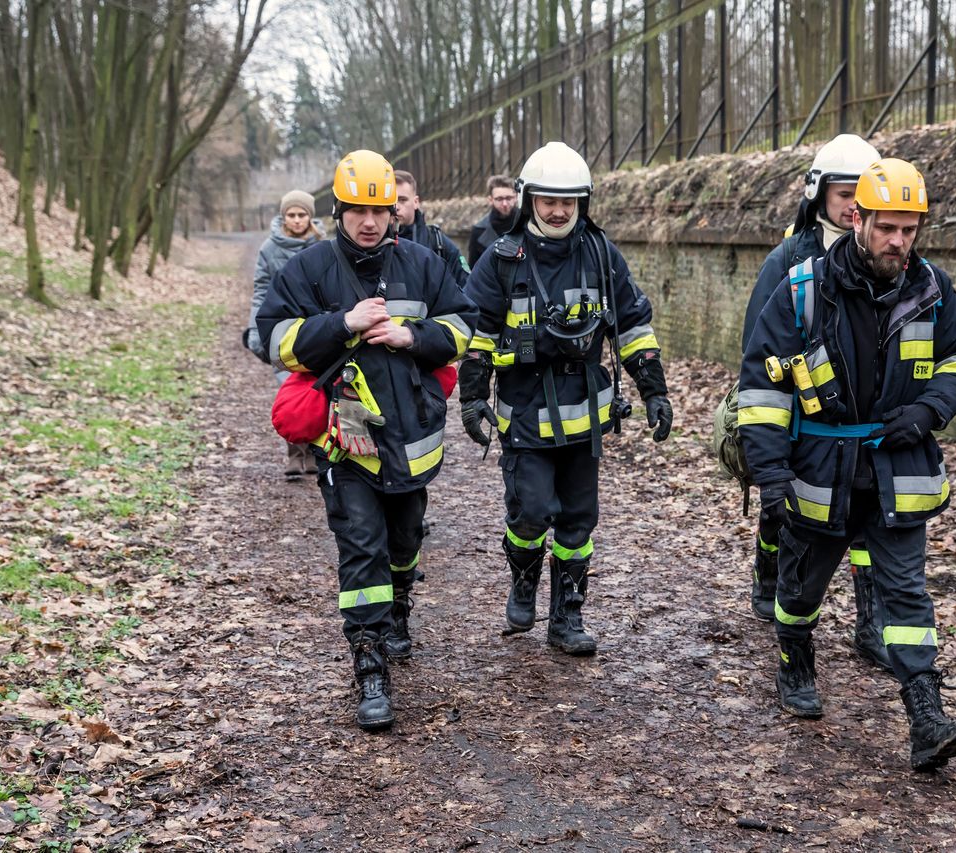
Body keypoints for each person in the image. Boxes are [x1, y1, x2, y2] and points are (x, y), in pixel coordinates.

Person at [738, 158, 956, 771]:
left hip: (896, 469)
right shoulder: (801, 289)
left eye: (909, 229)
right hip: (820, 469)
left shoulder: (932, 289)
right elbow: (762, 390)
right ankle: (795, 658)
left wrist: (930, 410)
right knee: (802, 588)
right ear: (859, 220)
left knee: (905, 593)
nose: (898, 242)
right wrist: (770, 477)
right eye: (886, 229)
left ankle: (926, 715)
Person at [257, 150, 477, 731]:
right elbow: (272, 337)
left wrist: (412, 335)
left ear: (393, 212)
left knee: (404, 536)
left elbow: (462, 327)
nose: (370, 222)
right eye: (357, 210)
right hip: (344, 435)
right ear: (340, 210)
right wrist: (342, 324)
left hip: (411, 432)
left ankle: (400, 602)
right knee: (361, 546)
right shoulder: (309, 270)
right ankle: (370, 663)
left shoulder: (426, 265)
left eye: (379, 210)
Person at [458, 141, 672, 656]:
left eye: (569, 202)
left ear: (583, 203)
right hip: (525, 410)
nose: (558, 211)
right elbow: (478, 333)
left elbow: (633, 327)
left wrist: (654, 390)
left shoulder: (601, 254)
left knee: (578, 520)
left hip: (584, 415)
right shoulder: (501, 260)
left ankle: (567, 618)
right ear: (530, 199)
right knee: (531, 512)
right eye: (549, 200)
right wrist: (471, 397)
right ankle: (525, 579)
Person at [739, 135, 893, 674]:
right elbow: (758, 344)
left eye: (863, 194)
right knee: (787, 511)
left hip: (861, 425)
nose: (853, 204)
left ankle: (870, 624)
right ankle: (769, 574)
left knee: (869, 524)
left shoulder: (888, 261)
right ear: (819, 195)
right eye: (844, 192)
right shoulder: (789, 258)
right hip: (803, 416)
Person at [246, 189, 324, 478]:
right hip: (283, 327)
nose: (297, 219)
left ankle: (317, 450)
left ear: (310, 216)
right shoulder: (269, 248)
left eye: (302, 214)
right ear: (283, 217)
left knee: (318, 390)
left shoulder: (322, 244)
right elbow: (261, 291)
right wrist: (256, 330)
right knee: (290, 390)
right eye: (291, 215)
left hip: (316, 327)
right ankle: (294, 452)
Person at [392, 169, 470, 288]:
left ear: (416, 202)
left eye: (402, 200)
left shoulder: (438, 243)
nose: (396, 207)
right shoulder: (373, 243)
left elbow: (466, 287)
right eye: (391, 200)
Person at [467, 175, 518, 268]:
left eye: (508, 198)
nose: (505, 204)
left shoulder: (527, 224)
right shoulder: (479, 231)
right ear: (490, 200)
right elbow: (473, 271)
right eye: (499, 199)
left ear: (516, 197)